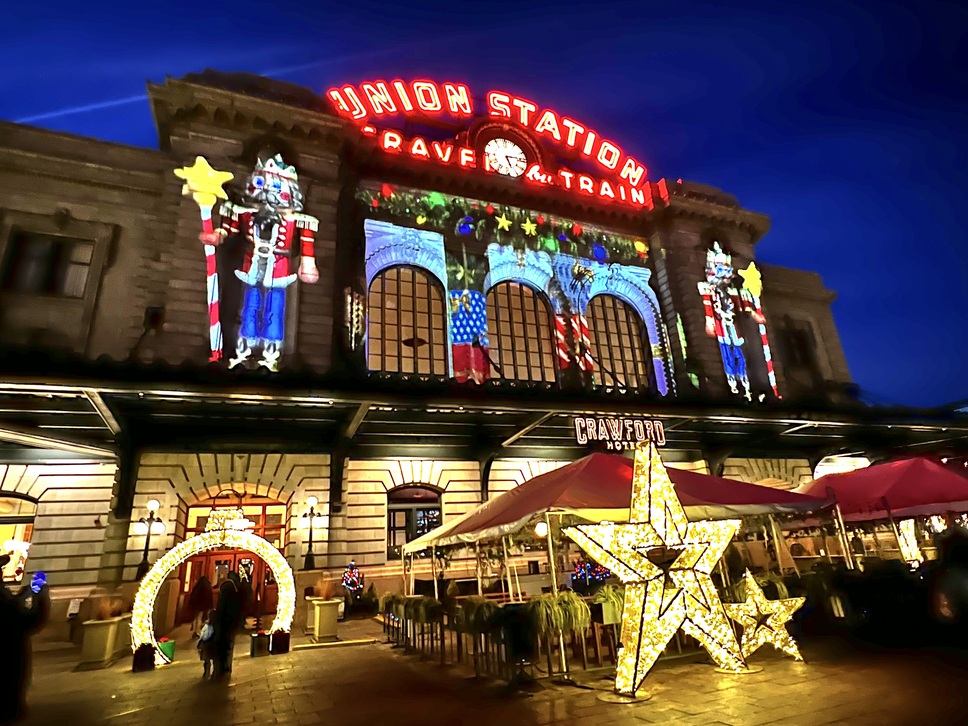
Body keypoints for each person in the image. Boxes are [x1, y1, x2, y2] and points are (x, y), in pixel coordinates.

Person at [0, 555, 50, 724]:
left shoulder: (5, 595)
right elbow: (28, 621)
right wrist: (41, 597)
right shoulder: (3, 597)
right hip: (7, 662)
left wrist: (22, 596)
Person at [212, 572, 243, 678]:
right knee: (229, 646)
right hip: (231, 625)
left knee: (222, 645)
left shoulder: (225, 595)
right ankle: (227, 666)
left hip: (224, 625)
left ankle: (221, 667)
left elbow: (221, 610)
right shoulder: (236, 592)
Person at [197, 609, 216, 679]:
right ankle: (213, 673)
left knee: (207, 660)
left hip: (207, 644)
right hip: (213, 644)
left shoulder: (208, 625)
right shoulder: (216, 625)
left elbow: (204, 636)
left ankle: (206, 673)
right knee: (214, 659)